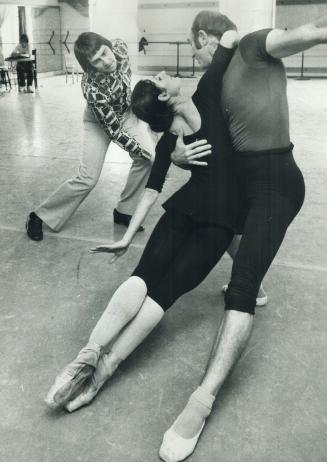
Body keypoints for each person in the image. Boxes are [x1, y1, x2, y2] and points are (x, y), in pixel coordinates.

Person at [44, 30, 244, 424]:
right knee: (156, 287)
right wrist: (125, 236)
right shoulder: (193, 110)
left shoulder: (173, 137)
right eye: (161, 79)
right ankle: (96, 363)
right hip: (216, 219)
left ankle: (94, 365)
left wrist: (127, 235)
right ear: (167, 98)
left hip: (201, 217)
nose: (164, 74)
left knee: (149, 281)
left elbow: (152, 191)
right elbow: (230, 40)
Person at [153, 10, 327, 462]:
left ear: (206, 37)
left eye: (197, 48)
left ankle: (200, 402)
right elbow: (185, 134)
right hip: (239, 188)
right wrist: (177, 156)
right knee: (224, 222)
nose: (198, 58)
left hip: (274, 183)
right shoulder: (213, 79)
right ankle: (258, 277)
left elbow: (305, 33)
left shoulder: (250, 46)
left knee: (241, 289)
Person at [26, 32, 156, 241]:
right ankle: (39, 215)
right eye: (97, 62)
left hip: (126, 112)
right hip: (99, 122)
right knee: (88, 179)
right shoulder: (92, 89)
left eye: (105, 53)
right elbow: (114, 132)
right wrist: (143, 151)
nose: (106, 62)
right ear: (90, 67)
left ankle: (124, 210)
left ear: (109, 45)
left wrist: (146, 152)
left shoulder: (119, 47)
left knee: (147, 159)